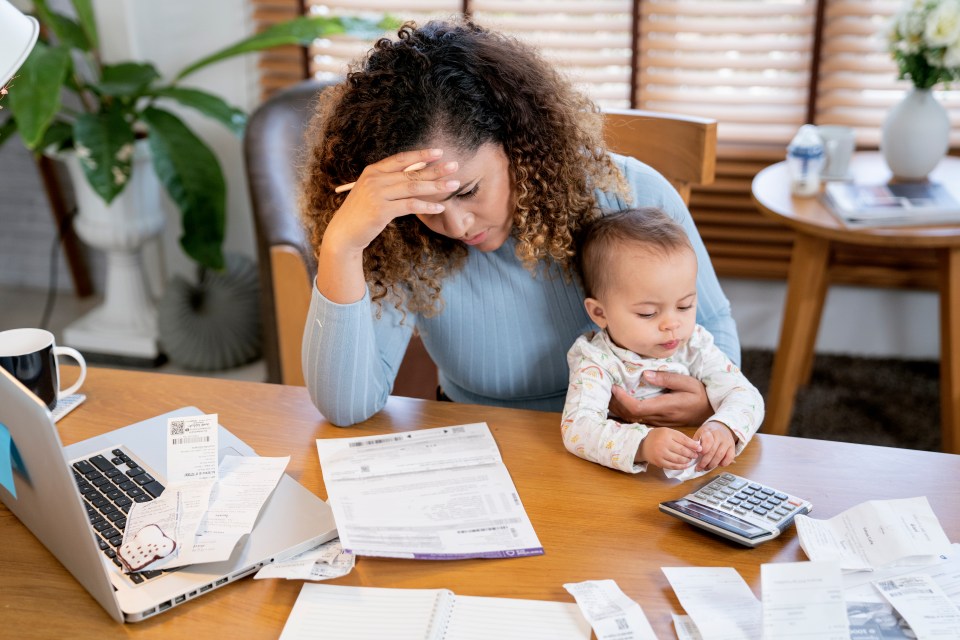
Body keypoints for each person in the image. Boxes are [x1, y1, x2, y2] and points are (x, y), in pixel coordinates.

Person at [299, 18, 741, 427]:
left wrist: (709, 399)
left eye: (468, 191)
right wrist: (343, 245)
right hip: (483, 440)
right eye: (423, 203)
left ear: (518, 144)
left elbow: (713, 332)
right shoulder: (398, 232)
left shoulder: (632, 192)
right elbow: (346, 408)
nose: (454, 224)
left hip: (625, 440)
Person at [562, 207, 764, 475]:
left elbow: (746, 396)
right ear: (600, 313)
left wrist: (723, 426)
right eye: (648, 313)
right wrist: (643, 444)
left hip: (696, 471)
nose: (672, 324)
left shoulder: (694, 345)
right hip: (620, 478)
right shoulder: (596, 359)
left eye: (684, 306)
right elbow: (577, 428)